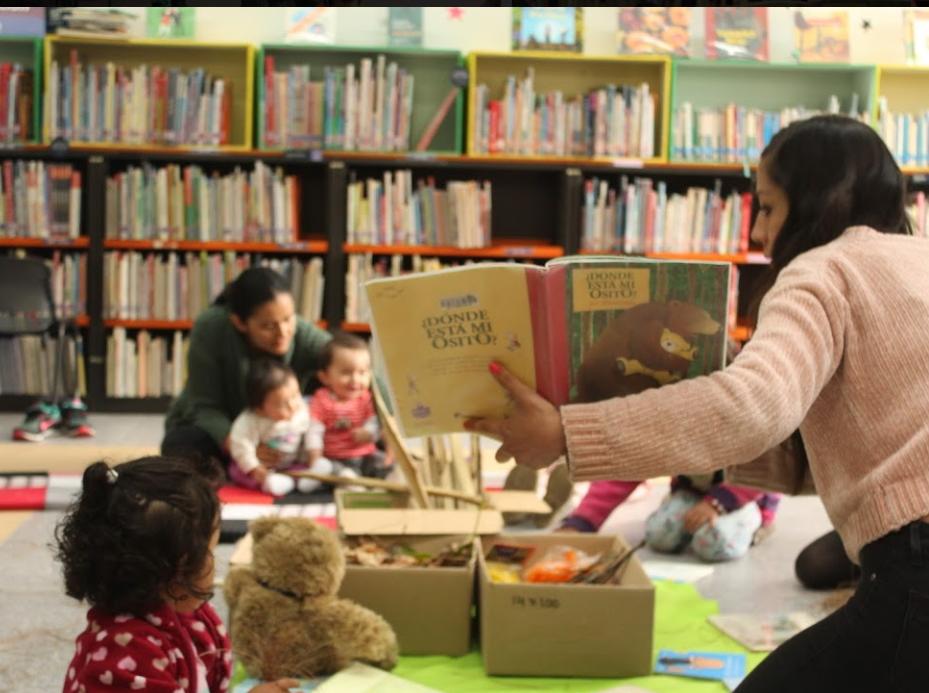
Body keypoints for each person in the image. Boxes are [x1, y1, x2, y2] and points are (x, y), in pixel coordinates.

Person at [465, 115, 929, 690]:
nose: (756, 234)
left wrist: (565, 432)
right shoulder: (918, 259)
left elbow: (754, 407)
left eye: (766, 208)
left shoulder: (821, 269)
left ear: (816, 203)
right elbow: (860, 440)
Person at [55, 455, 297, 692]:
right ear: (180, 567)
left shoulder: (183, 614)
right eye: (211, 551)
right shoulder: (128, 654)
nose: (216, 563)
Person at [162, 267, 330, 473]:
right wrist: (242, 448)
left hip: (281, 431)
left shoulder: (302, 333)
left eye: (288, 319)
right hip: (226, 428)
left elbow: (352, 364)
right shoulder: (211, 328)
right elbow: (204, 406)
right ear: (239, 323)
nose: (283, 333)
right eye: (268, 326)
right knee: (182, 447)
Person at [561, 477, 779, 563]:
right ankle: (686, 507)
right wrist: (581, 522)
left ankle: (760, 521)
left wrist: (717, 504)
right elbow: (627, 467)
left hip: (745, 494)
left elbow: (766, 463)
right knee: (659, 535)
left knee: (713, 543)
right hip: (695, 491)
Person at [227, 359, 322, 497]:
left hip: (292, 464)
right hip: (264, 466)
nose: (292, 405)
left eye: (295, 395)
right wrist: (256, 469)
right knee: (237, 470)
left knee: (303, 469)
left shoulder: (302, 409)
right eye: (282, 404)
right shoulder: (250, 421)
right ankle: (271, 482)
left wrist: (313, 456)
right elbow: (241, 445)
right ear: (259, 408)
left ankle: (307, 478)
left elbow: (313, 430)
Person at [307, 333, 388, 481]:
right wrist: (314, 457)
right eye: (346, 372)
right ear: (325, 377)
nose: (355, 379)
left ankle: (359, 478)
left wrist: (369, 433)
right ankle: (342, 478)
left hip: (364, 454)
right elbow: (314, 430)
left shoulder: (365, 397)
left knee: (384, 463)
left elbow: (373, 421)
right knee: (328, 469)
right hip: (334, 457)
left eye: (362, 372)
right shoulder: (322, 400)